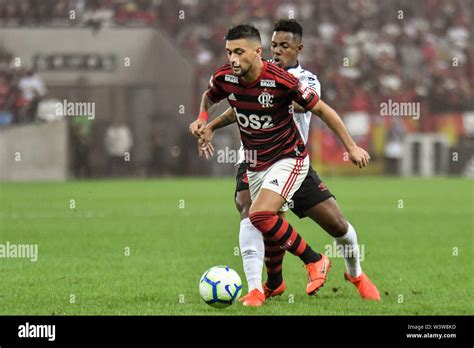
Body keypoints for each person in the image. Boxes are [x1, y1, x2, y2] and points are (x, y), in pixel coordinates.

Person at [190, 24, 377, 306]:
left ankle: (355, 274)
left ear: (297, 49)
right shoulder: (237, 75)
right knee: (250, 210)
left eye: (284, 46)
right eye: (275, 45)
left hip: (290, 158)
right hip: (253, 157)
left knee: (337, 225)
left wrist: (350, 147)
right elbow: (235, 103)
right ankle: (262, 286)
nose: (278, 51)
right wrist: (209, 123)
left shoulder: (300, 80)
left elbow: (309, 106)